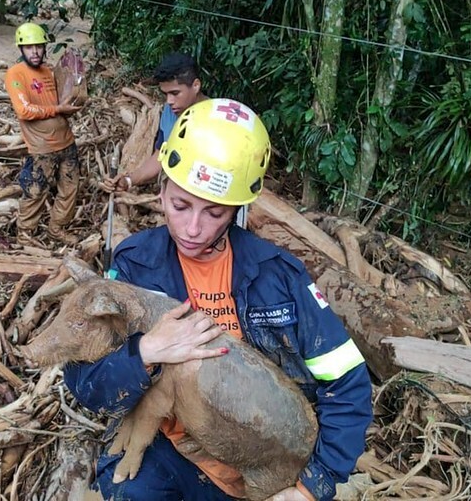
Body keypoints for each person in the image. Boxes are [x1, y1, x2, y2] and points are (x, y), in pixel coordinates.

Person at [64, 99, 373, 501]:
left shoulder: (278, 277)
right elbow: (85, 382)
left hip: (265, 456)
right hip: (169, 446)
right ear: (161, 190)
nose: (192, 228)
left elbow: (347, 383)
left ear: (236, 211)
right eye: (180, 205)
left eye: (213, 213)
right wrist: (144, 351)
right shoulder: (136, 266)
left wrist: (313, 485)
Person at [4, 23, 83, 245]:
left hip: (66, 141)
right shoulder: (15, 74)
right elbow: (24, 110)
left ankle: (56, 229)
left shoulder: (50, 71)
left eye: (38, 46)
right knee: (35, 191)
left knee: (70, 190)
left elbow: (63, 101)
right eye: (29, 47)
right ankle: (25, 234)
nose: (35, 52)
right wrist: (58, 110)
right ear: (21, 49)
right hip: (41, 147)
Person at [100, 52, 207, 193]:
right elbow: (160, 156)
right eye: (165, 94)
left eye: (175, 93)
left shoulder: (218, 119)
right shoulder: (169, 114)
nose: (169, 101)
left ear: (196, 86)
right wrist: (128, 181)